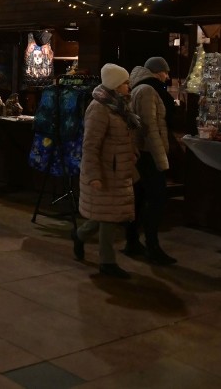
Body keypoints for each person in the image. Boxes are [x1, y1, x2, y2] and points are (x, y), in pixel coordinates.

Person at [72, 64, 140, 278]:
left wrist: (133, 155)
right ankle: (107, 262)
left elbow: (125, 137)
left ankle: (80, 235)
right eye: (125, 83)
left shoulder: (119, 106)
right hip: (106, 172)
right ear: (114, 85)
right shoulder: (99, 108)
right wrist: (93, 176)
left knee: (106, 214)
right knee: (109, 216)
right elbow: (90, 145)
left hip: (118, 169)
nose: (129, 86)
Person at [126, 56, 177, 265]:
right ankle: (152, 245)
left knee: (138, 198)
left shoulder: (137, 87)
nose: (167, 76)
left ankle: (132, 241)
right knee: (155, 199)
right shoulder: (148, 90)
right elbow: (150, 128)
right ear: (159, 71)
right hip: (147, 154)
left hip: (140, 153)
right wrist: (161, 159)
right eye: (165, 72)